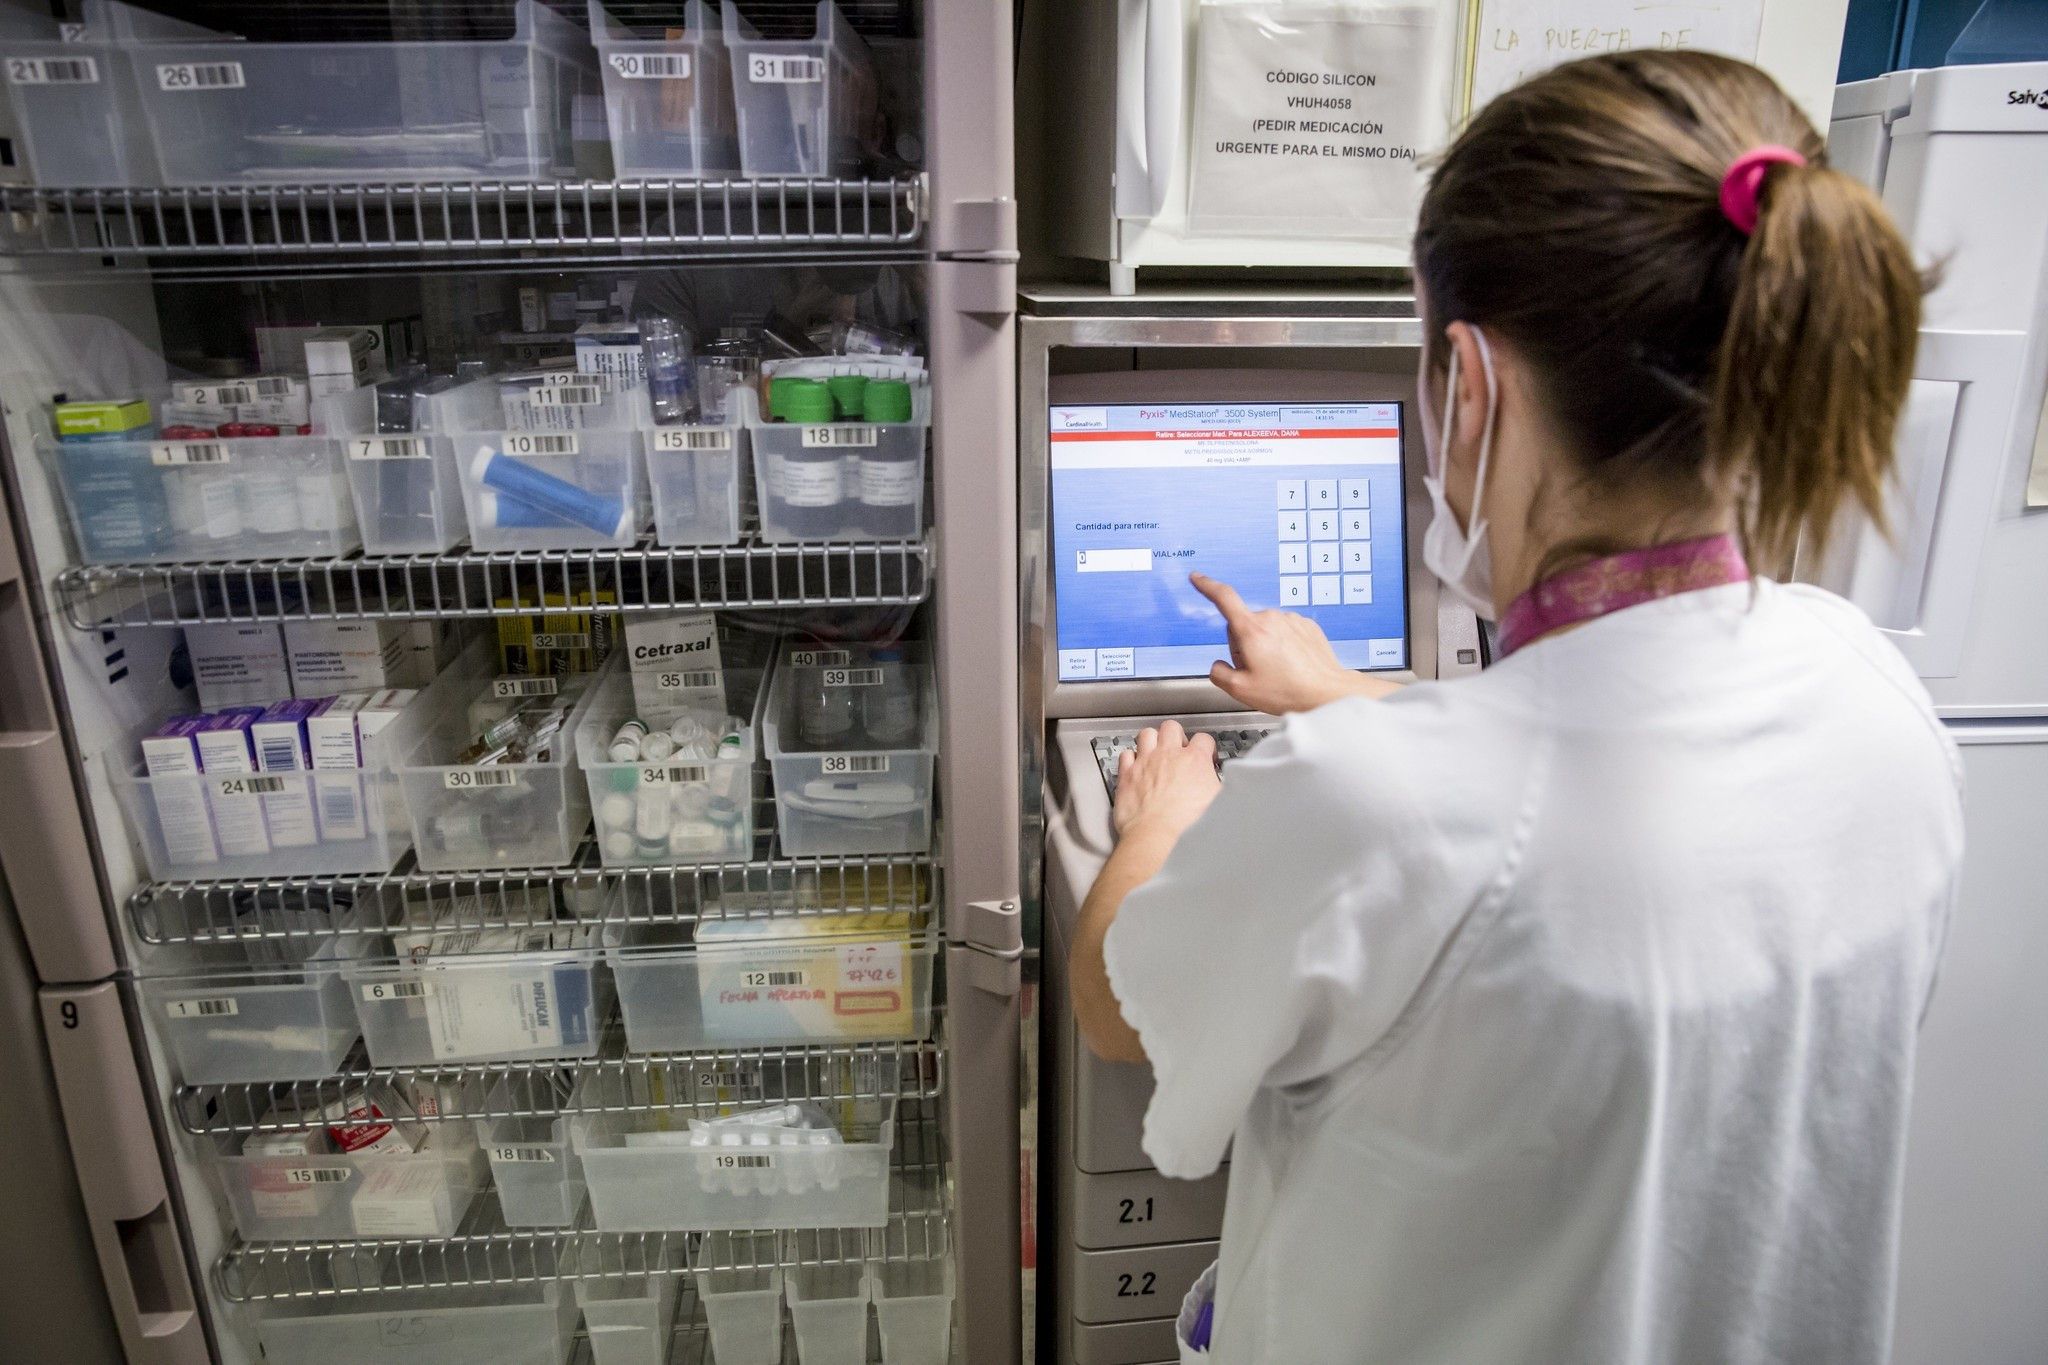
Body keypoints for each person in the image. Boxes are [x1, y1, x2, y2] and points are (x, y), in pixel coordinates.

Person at [1070, 51, 1963, 1364]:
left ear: (1473, 386)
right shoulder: (1878, 700)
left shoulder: (1377, 802)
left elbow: (1117, 1003)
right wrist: (1352, 694)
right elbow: (1596, 773)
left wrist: (1160, 817)